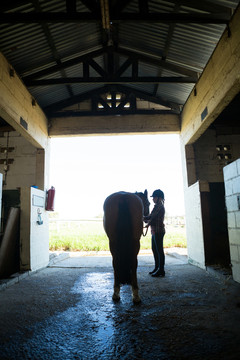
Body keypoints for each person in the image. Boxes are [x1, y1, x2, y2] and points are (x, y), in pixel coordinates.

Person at [144, 189, 165, 277]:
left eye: (154, 197)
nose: (153, 199)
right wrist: (144, 218)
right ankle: (157, 268)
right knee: (155, 250)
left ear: (159, 198)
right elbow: (150, 217)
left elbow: (151, 217)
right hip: (154, 231)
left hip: (158, 231)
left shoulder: (159, 206)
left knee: (159, 250)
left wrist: (142, 218)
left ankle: (161, 270)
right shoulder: (156, 206)